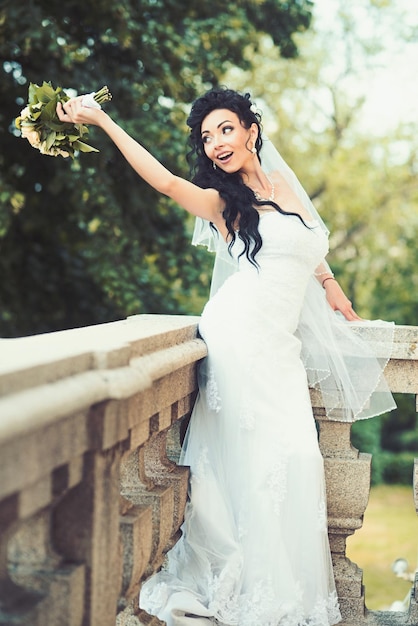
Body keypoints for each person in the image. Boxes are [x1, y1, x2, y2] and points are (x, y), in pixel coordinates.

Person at [57, 87, 395, 626]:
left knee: (298, 461)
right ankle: (260, 593)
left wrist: (333, 288)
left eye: (225, 129)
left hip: (279, 345)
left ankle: (288, 593)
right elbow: (166, 181)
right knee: (265, 462)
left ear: (250, 130)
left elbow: (309, 248)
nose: (216, 144)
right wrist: (102, 121)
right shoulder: (223, 202)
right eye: (207, 136)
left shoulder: (284, 184)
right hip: (239, 336)